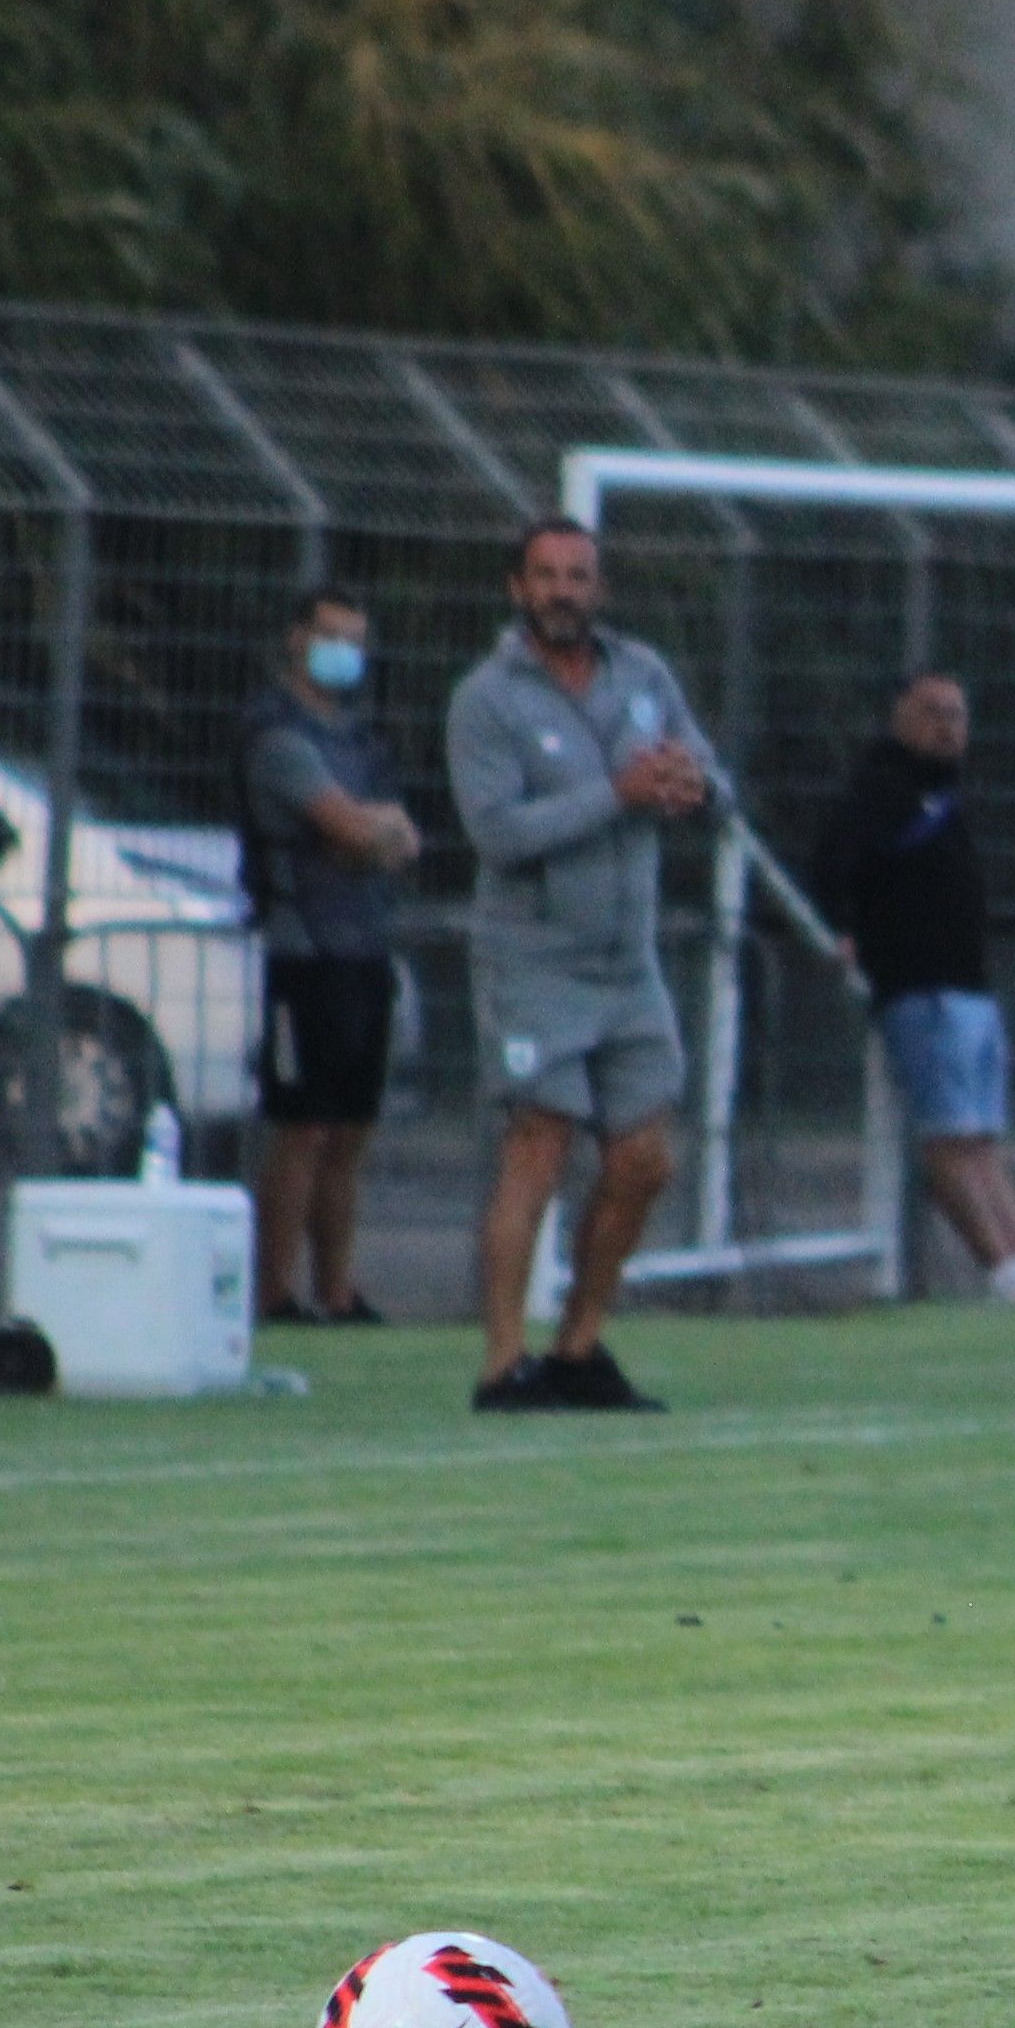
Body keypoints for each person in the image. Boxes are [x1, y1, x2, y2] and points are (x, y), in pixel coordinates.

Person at [445, 518, 717, 1414]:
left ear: (599, 589)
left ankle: (579, 1346)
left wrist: (692, 784)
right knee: (539, 1149)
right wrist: (619, 794)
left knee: (644, 1158)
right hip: (536, 964)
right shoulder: (488, 698)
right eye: (547, 576)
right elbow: (498, 832)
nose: (565, 591)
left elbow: (706, 770)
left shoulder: (643, 676)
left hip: (627, 966)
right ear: (517, 589)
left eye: (580, 576)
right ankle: (501, 1365)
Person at [816, 669, 1015, 1308]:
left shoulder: (946, 794)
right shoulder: (879, 790)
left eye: (958, 715)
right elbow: (832, 863)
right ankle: (999, 1269)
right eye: (933, 712)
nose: (947, 726)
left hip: (970, 991)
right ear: (901, 718)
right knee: (948, 1138)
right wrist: (843, 928)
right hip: (922, 990)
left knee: (980, 1138)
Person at [239, 584, 421, 1326]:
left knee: (351, 1129)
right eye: (330, 634)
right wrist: (367, 832)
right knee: (303, 1125)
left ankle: (337, 1292)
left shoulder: (361, 740)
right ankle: (274, 1292)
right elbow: (352, 830)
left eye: (355, 638)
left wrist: (371, 832)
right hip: (303, 952)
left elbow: (403, 838)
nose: (344, 651)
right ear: (297, 638)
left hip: (365, 948)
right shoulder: (275, 733)